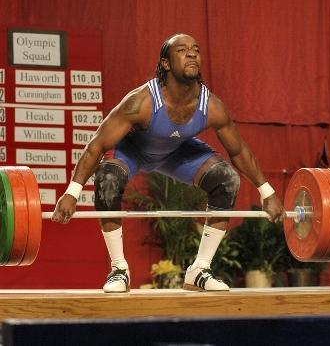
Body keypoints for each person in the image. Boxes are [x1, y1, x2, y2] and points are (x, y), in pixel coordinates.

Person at [52, 33, 286, 293]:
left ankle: (199, 269)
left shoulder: (212, 106)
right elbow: (96, 145)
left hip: (177, 152)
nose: (192, 54)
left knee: (226, 179)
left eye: (195, 50)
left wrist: (268, 192)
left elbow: (239, 150)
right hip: (134, 150)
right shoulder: (141, 102)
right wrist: (72, 192)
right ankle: (119, 269)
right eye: (182, 50)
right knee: (107, 178)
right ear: (165, 63)